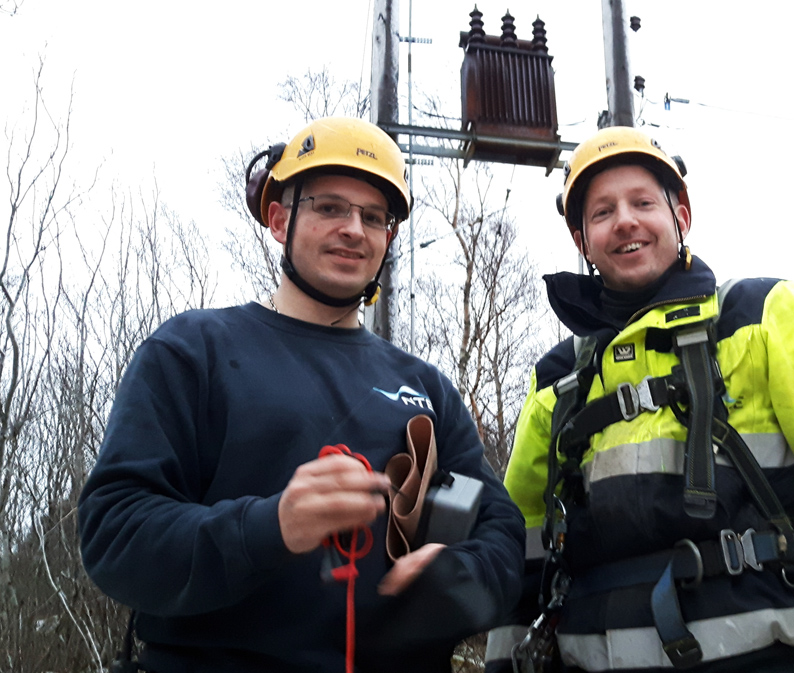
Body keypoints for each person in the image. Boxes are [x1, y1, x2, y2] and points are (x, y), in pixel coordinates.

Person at [485, 126, 794, 673]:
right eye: (601, 213)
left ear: (681, 216)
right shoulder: (557, 382)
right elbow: (520, 560)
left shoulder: (763, 317)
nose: (624, 220)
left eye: (643, 202)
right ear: (582, 241)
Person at [78, 116, 525, 673]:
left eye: (373, 217)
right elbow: (114, 534)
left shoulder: (426, 387)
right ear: (278, 218)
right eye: (330, 207)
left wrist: (464, 576)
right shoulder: (194, 351)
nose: (354, 230)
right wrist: (270, 527)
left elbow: (503, 531)